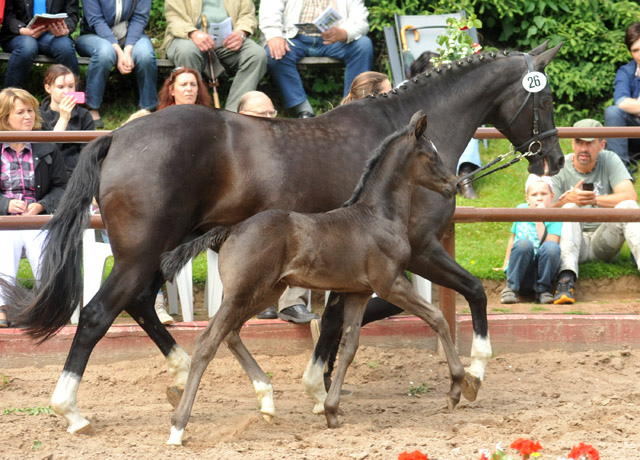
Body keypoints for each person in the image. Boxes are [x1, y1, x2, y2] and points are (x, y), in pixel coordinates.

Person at [237, 90, 319, 323]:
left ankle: (292, 304)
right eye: (262, 113)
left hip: (284, 215)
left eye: (271, 112)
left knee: (302, 226)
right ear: (243, 115)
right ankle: (258, 300)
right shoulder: (233, 144)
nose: (270, 118)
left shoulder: (286, 143)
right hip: (245, 219)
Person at [550, 118, 640, 304]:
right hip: (574, 242)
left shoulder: (610, 159)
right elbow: (544, 210)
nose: (583, 148)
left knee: (629, 208)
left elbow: (630, 196)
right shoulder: (559, 165)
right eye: (579, 142)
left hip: (604, 242)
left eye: (590, 143)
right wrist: (568, 200)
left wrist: (594, 199)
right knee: (569, 207)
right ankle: (565, 280)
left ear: (602, 145)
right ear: (572, 143)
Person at [0, 87, 68, 327]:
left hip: (37, 217)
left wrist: (41, 205)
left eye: (31, 110)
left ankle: (48, 307)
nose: (28, 116)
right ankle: (2, 309)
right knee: (4, 244)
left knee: (42, 243)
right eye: (20, 112)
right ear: (5, 117)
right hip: (3, 220)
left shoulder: (46, 145)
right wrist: (6, 204)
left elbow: (62, 187)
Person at [259, 0, 373, 118]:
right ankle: (303, 110)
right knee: (274, 52)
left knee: (363, 45)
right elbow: (270, 12)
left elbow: (361, 21)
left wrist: (344, 33)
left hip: (334, 40)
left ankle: (352, 107)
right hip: (294, 38)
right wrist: (275, 35)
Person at [162, 0, 267, 112]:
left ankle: (234, 115)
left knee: (257, 55)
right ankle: (193, 113)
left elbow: (247, 14)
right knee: (187, 51)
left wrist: (241, 33)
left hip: (227, 40)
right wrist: (193, 33)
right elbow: (174, 18)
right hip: (186, 38)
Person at [407, 50, 481, 199]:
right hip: (423, 134)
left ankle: (465, 176)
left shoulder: (448, 90)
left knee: (469, 126)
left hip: (447, 131)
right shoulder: (407, 88)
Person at [75, 0, 158, 128]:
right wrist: (119, 52)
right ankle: (92, 107)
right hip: (94, 35)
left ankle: (149, 109)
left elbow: (139, 18)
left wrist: (128, 49)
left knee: (145, 55)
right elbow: (96, 21)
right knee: (105, 53)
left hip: (131, 35)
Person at [499, 174, 561, 305]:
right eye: (534, 195)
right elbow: (513, 238)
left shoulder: (556, 216)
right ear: (527, 198)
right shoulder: (521, 209)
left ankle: (544, 291)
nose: (539, 198)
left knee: (551, 247)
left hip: (540, 271)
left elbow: (550, 247)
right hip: (521, 271)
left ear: (552, 196)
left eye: (544, 194)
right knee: (523, 243)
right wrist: (505, 263)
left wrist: (539, 220)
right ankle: (511, 288)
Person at [0, 0, 79, 89]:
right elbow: (7, 16)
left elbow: (72, 15)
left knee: (65, 47)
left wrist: (65, 29)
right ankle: (7, 98)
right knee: (27, 47)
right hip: (18, 35)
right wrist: (21, 29)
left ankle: (74, 98)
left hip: (51, 35)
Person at [40, 64, 95, 176]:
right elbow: (48, 151)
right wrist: (63, 119)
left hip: (76, 173)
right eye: (61, 87)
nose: (67, 92)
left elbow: (88, 153)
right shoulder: (38, 116)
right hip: (47, 173)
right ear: (48, 88)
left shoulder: (84, 115)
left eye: (71, 86)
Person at [604, 22, 640, 172]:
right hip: (636, 131)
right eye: (636, 50)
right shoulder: (626, 71)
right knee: (612, 112)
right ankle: (621, 169)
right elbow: (621, 102)